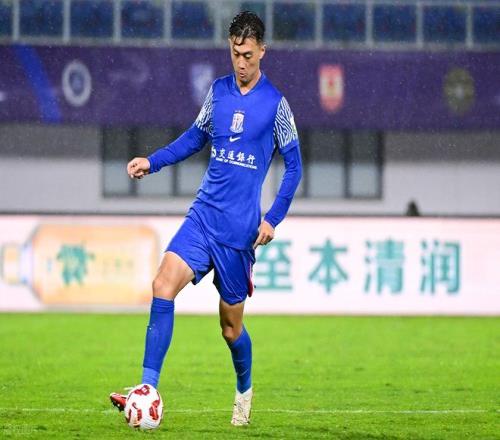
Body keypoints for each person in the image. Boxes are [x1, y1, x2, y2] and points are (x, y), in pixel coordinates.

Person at [110, 11, 302, 426]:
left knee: (231, 330)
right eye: (235, 54)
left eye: (248, 55)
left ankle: (244, 390)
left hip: (239, 234)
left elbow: (295, 166)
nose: (241, 62)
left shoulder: (276, 105)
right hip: (203, 217)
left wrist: (273, 218)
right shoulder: (218, 92)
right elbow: (196, 137)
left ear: (262, 51)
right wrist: (153, 161)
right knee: (162, 284)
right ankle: (147, 388)